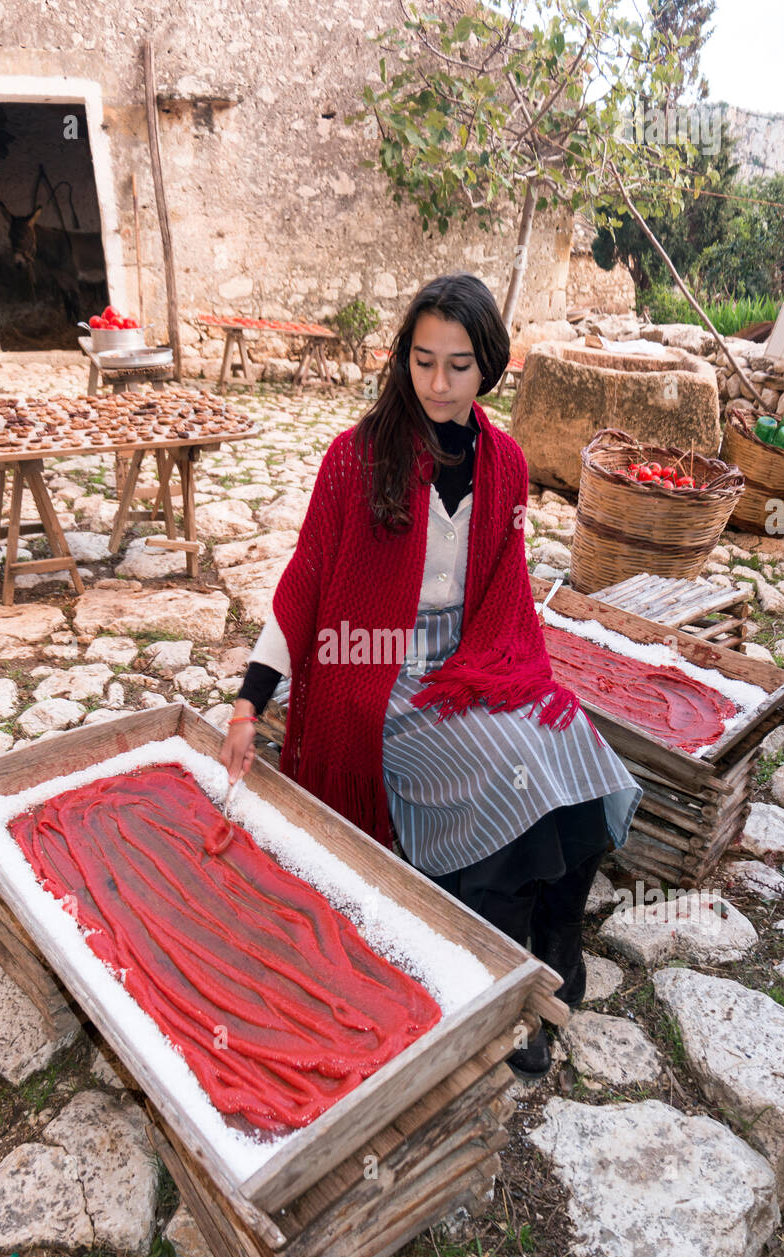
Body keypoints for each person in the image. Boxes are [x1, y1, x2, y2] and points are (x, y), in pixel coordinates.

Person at [219, 273, 641, 1078]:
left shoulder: (507, 464)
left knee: (575, 749)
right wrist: (250, 703)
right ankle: (499, 981)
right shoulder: (358, 457)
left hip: (478, 655)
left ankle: (558, 949)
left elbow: (507, 591)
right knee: (503, 779)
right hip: (377, 667)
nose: (438, 385)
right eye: (421, 362)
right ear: (402, 361)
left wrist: (517, 676)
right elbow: (306, 582)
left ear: (489, 367)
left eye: (457, 365)